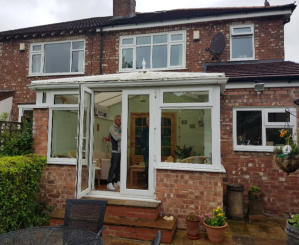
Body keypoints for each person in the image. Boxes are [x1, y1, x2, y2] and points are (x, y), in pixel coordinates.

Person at [107, 115, 121, 191]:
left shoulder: (120, 128)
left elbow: (127, 135)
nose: (120, 121)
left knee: (118, 168)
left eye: (121, 120)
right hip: (115, 151)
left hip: (120, 151)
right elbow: (116, 137)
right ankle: (109, 183)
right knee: (113, 167)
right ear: (115, 120)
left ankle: (116, 182)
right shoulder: (112, 128)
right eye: (119, 120)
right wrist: (121, 135)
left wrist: (120, 135)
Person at [140, 117, 149, 188]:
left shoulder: (156, 129)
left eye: (149, 120)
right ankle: (147, 183)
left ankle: (153, 183)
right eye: (147, 120)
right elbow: (141, 140)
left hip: (154, 153)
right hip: (146, 152)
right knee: (147, 167)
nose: (148, 121)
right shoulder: (144, 130)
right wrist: (143, 148)